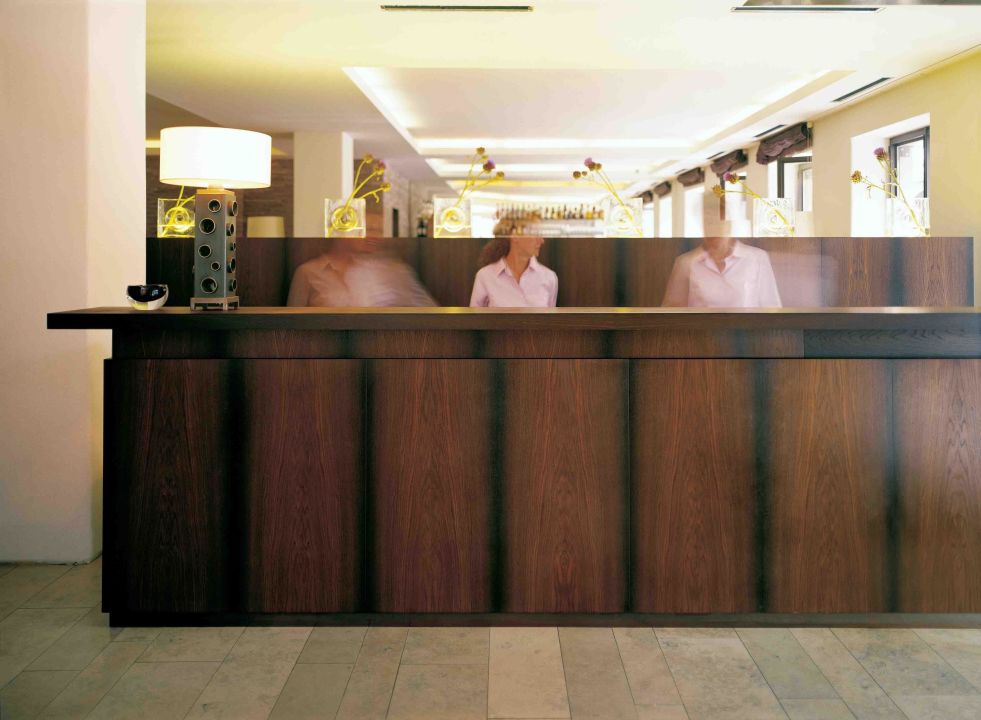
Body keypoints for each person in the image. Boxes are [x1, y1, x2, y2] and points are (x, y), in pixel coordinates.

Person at [287, 237, 436, 307]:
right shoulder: (308, 272)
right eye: (363, 229)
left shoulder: (374, 271)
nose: (371, 236)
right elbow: (291, 324)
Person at [662, 238, 782, 308]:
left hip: (747, 340)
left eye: (721, 221)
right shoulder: (685, 262)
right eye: (709, 221)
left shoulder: (757, 258)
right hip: (699, 339)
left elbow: (772, 310)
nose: (715, 228)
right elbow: (671, 314)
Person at [470, 236, 558, 308]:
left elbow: (549, 322)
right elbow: (474, 321)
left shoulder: (549, 277)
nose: (541, 240)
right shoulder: (485, 276)